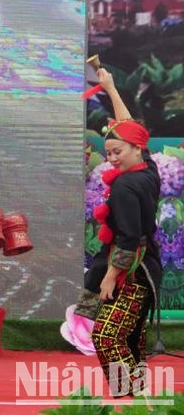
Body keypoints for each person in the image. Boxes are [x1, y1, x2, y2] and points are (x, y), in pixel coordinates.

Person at [74, 68, 162, 395]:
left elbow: (128, 239)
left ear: (136, 149)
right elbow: (128, 128)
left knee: (107, 336)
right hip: (148, 267)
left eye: (117, 152)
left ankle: (130, 396)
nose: (111, 158)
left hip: (131, 272)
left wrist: (110, 276)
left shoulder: (125, 185)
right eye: (108, 152)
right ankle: (138, 399)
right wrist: (110, 88)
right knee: (131, 338)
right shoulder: (147, 169)